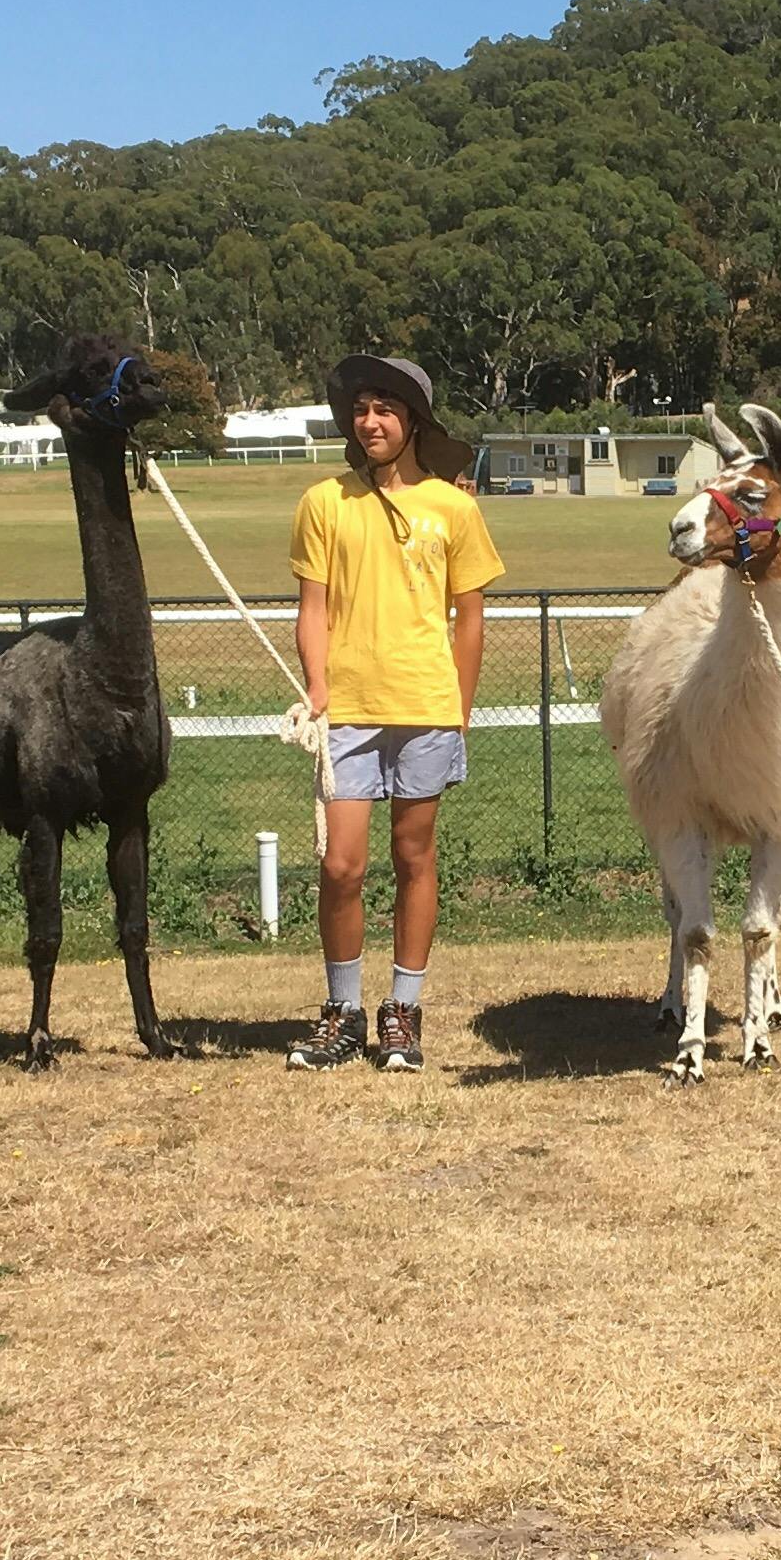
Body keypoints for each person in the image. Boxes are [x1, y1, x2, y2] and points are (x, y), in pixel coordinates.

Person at [283, 353, 502, 1073]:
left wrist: (458, 709)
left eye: (385, 408)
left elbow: (469, 618)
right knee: (341, 865)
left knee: (415, 858)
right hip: (347, 709)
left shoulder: (455, 508)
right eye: (360, 408)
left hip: (425, 707)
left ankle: (402, 1012)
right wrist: (316, 685)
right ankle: (342, 1013)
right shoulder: (324, 502)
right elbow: (311, 610)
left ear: (414, 421)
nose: (369, 420)